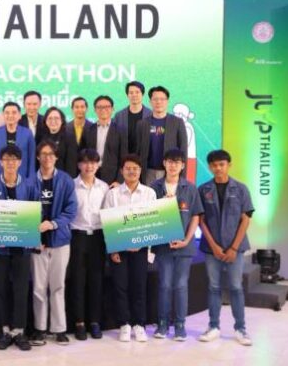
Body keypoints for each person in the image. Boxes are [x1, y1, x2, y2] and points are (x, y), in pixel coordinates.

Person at [0, 145, 38, 351]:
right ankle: (5, 331)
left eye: (14, 159)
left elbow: (36, 213)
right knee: (0, 288)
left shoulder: (30, 186)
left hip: (22, 248)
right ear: (0, 162)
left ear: (20, 162)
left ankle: (19, 331)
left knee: (21, 289)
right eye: (6, 159)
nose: (10, 163)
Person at [197, 150, 254, 346]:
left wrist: (233, 248)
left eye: (221, 164)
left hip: (235, 249)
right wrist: (214, 246)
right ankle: (213, 326)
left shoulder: (241, 189)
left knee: (236, 287)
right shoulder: (203, 189)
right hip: (211, 249)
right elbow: (201, 220)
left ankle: (241, 329)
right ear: (210, 167)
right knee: (214, 287)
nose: (218, 168)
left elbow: (246, 219)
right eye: (214, 165)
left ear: (229, 165)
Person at [150, 148, 203, 342]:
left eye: (177, 162)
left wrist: (187, 240)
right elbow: (147, 215)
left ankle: (180, 325)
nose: (173, 165)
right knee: (164, 285)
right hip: (163, 246)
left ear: (182, 165)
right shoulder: (154, 187)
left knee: (180, 285)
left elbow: (195, 216)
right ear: (164, 163)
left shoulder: (190, 188)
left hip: (184, 247)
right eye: (170, 162)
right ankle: (162, 323)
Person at [103, 154, 157, 343]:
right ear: (122, 171)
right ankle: (124, 324)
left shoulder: (149, 193)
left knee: (139, 287)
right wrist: (113, 249)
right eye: (128, 168)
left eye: (135, 168)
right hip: (119, 249)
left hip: (140, 249)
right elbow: (107, 222)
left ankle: (139, 325)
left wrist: (142, 243)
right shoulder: (113, 194)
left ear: (140, 171)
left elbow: (153, 221)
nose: (132, 171)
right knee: (120, 287)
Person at [31, 140, 77, 346]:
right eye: (43, 154)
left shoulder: (66, 180)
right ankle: (40, 329)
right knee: (38, 287)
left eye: (51, 154)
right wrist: (34, 237)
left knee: (58, 286)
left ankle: (59, 329)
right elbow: (25, 212)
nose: (47, 157)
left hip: (60, 241)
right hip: (37, 244)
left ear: (56, 157)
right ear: (38, 157)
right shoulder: (30, 182)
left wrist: (53, 224)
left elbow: (71, 210)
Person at [69, 149, 109, 341]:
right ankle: (79, 322)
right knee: (77, 280)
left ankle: (94, 321)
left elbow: (110, 213)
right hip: (77, 236)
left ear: (98, 165)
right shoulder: (71, 185)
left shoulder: (104, 187)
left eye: (93, 162)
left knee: (96, 280)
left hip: (98, 237)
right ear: (79, 165)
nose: (89, 166)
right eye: (85, 162)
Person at [136, 86, 188, 185]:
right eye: (155, 99)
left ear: (167, 101)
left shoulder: (177, 122)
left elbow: (183, 150)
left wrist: (182, 177)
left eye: (162, 99)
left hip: (170, 172)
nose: (158, 102)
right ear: (150, 102)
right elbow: (138, 151)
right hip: (148, 172)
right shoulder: (142, 124)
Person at [85, 95, 127, 186]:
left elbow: (123, 157)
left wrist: (119, 180)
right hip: (91, 174)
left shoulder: (121, 130)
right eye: (99, 107)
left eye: (107, 107)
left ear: (112, 109)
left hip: (112, 177)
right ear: (95, 110)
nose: (103, 110)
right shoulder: (89, 130)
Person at [0, 102, 35, 181]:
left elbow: (31, 158)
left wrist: (31, 179)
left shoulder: (28, 133)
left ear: (19, 115)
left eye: (14, 112)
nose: (10, 115)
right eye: (7, 113)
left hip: (22, 179)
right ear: (3, 115)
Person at [113, 81, 152, 154]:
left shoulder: (151, 115)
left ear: (142, 94)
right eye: (131, 93)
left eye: (137, 92)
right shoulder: (119, 116)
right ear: (127, 95)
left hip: (146, 156)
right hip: (124, 156)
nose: (134, 95)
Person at [41, 107, 78, 177]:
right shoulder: (42, 137)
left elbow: (71, 164)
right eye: (50, 118)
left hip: (62, 178)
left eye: (56, 118)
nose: (53, 121)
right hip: (44, 177)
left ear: (62, 121)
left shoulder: (69, 137)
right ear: (45, 121)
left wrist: (68, 180)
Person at [64, 97, 91, 175]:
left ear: (87, 109)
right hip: (69, 171)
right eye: (77, 107)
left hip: (88, 171)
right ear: (72, 109)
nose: (79, 109)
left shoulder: (93, 128)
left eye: (82, 107)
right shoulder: (65, 128)